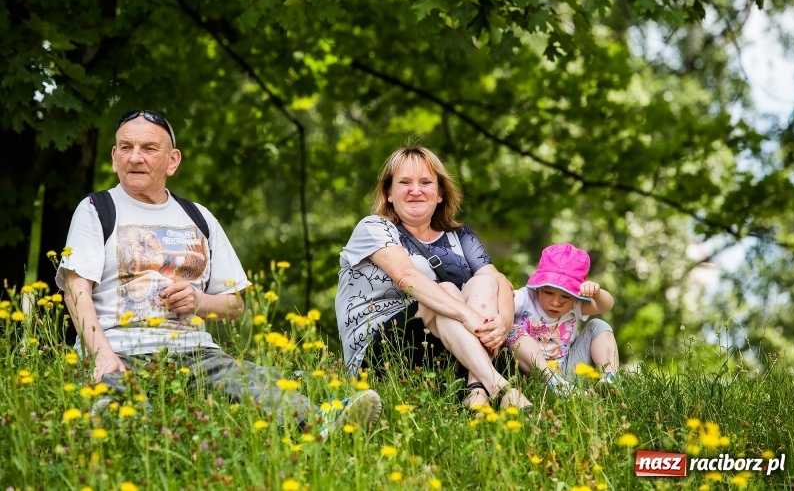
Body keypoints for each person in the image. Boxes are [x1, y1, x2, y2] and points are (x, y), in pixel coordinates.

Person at [56, 109, 381, 436]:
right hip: (121, 348)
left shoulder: (198, 217)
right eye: (126, 147)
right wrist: (102, 355)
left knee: (255, 382)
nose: (135, 157)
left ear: (172, 161)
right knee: (132, 405)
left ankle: (325, 425)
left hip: (196, 352)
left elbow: (235, 305)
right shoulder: (97, 209)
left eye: (149, 148)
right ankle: (115, 420)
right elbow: (75, 290)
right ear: (114, 157)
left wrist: (199, 301)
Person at [335, 145, 532, 411]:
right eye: (405, 182)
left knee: (484, 282)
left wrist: (503, 323)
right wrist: (467, 315)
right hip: (379, 356)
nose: (415, 190)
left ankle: (476, 391)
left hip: (447, 349)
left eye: (426, 182)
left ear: (440, 193)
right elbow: (407, 277)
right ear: (389, 193)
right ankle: (500, 387)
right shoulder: (373, 227)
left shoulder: (461, 237)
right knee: (446, 290)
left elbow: (499, 282)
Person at [505, 243, 619, 394]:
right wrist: (504, 294)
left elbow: (606, 306)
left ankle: (610, 379)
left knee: (598, 325)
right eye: (548, 292)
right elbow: (503, 306)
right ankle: (553, 383)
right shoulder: (526, 297)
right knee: (511, 330)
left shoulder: (575, 305)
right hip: (529, 372)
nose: (555, 302)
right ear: (539, 286)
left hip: (567, 371)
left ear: (575, 296)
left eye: (565, 296)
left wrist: (597, 294)